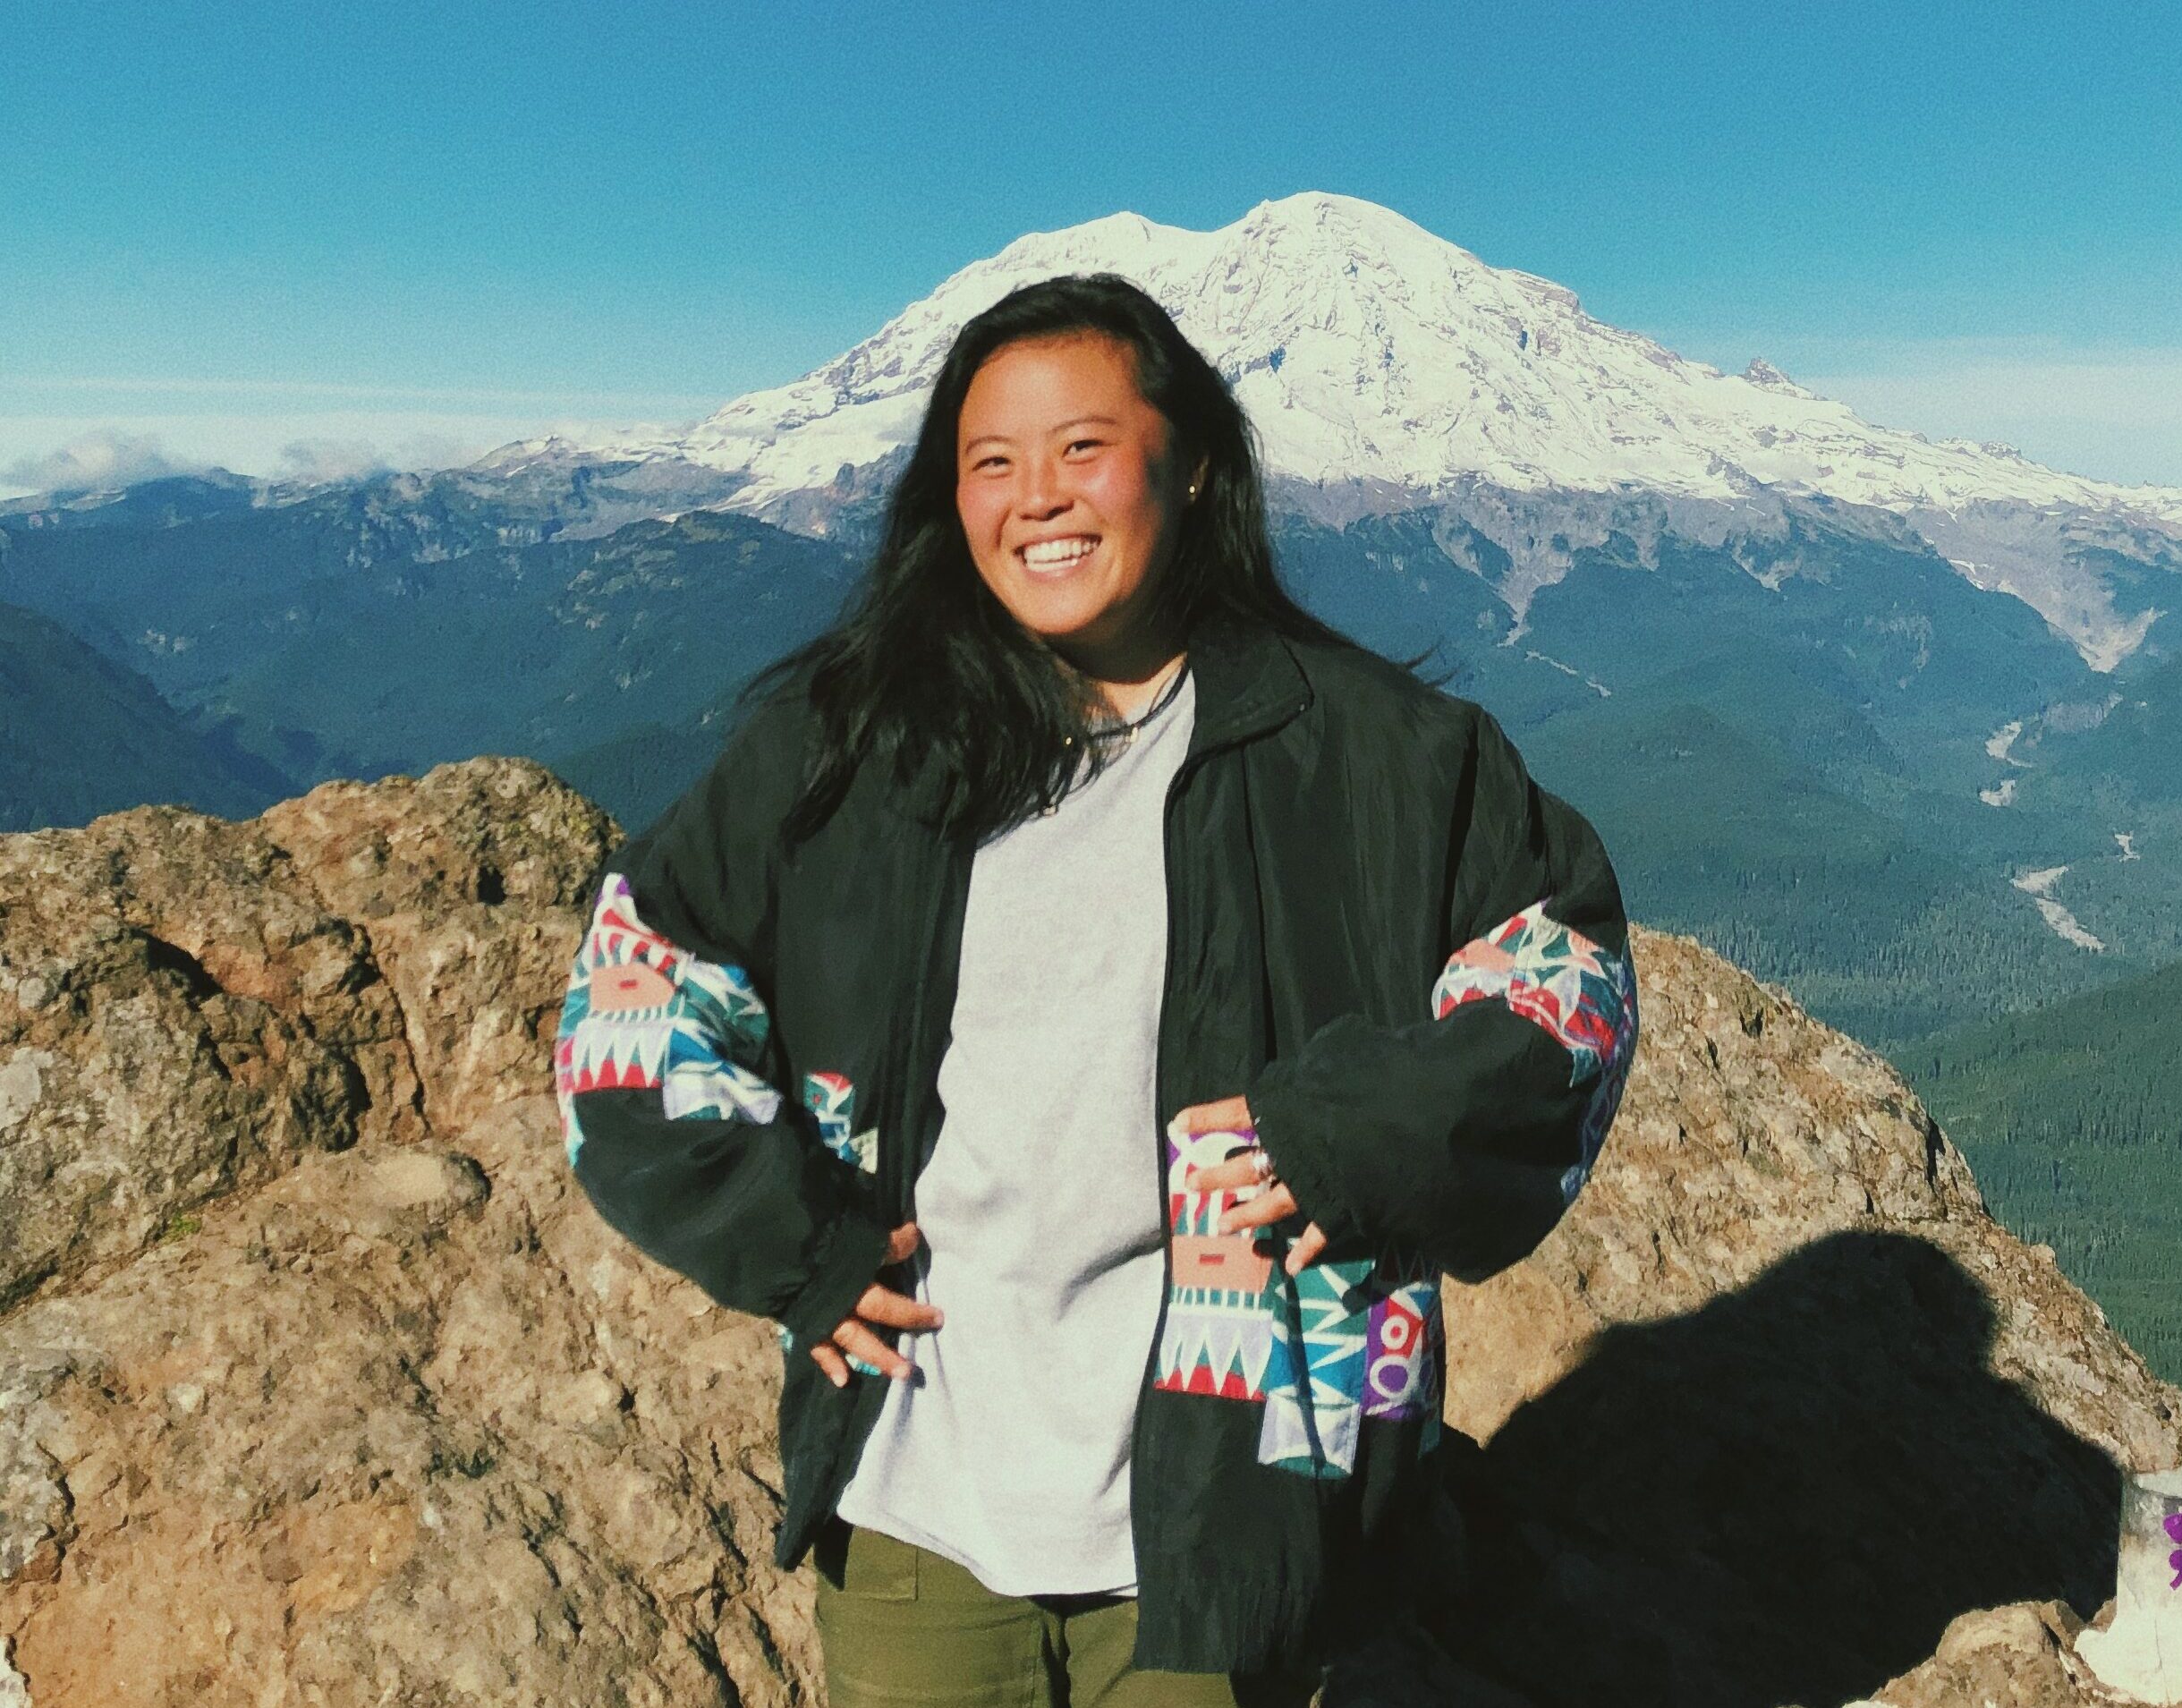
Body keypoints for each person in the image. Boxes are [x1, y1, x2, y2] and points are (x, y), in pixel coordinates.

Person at [553, 273, 1640, 1707]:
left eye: (1082, 447)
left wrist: (1344, 1139)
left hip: (1233, 1499)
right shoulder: (852, 745)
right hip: (913, 1493)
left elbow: (1569, 988)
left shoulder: (1378, 753)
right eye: (990, 461)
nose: (1037, 497)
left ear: (1188, 463)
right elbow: (638, 976)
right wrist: (788, 1241)